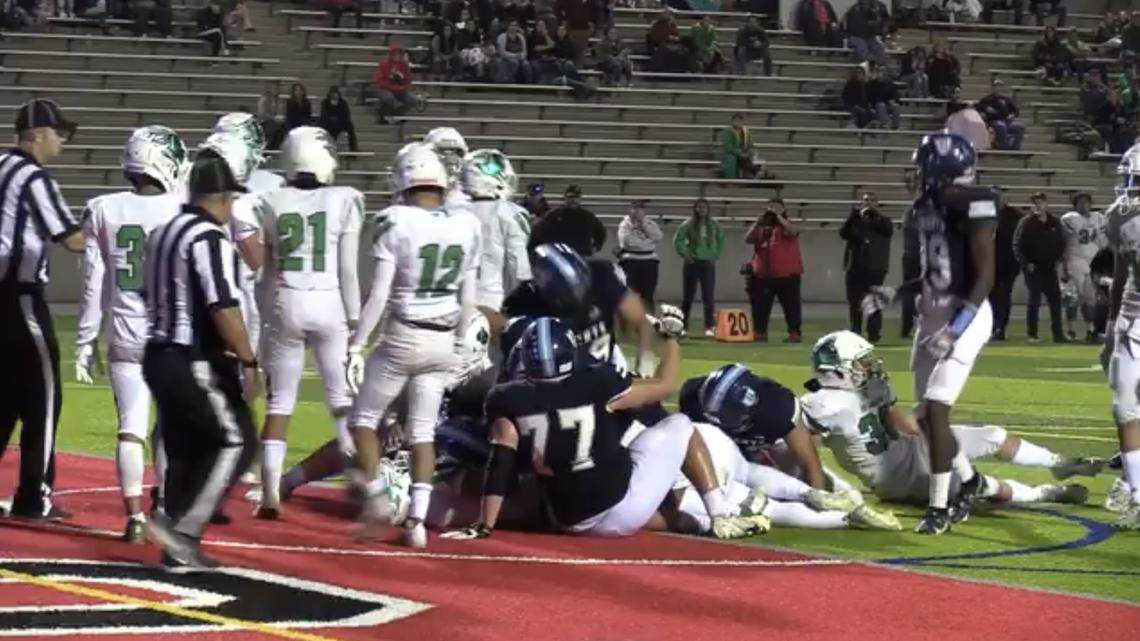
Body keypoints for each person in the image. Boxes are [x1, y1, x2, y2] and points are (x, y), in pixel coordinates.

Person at [443, 316, 770, 541]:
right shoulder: (597, 381)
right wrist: (670, 341)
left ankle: (699, 521)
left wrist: (484, 526)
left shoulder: (506, 399)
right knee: (680, 425)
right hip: (619, 507)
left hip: (564, 520)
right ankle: (720, 512)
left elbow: (500, 465)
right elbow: (664, 385)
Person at [346, 143, 481, 548]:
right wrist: (460, 344)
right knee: (423, 433)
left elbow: (380, 295)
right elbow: (469, 297)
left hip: (404, 333)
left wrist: (357, 343)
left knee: (363, 420)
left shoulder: (396, 220)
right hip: (443, 337)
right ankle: (417, 525)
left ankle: (376, 498)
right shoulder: (466, 222)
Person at [863, 133, 996, 535]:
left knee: (937, 408)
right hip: (933, 314)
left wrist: (955, 330)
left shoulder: (976, 201)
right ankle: (969, 480)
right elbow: (933, 274)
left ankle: (941, 506)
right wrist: (896, 292)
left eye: (924, 166)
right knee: (924, 418)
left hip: (967, 315)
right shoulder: (924, 207)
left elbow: (985, 275)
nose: (919, 173)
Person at [802, 331, 1098, 506]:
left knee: (993, 435)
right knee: (980, 487)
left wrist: (931, 430)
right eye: (861, 362)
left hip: (906, 447)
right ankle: (1043, 493)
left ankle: (1057, 463)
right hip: (895, 479)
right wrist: (827, 485)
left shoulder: (867, 388)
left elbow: (900, 426)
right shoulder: (822, 404)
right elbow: (802, 446)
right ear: (838, 368)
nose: (869, 367)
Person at [141, 155, 261, 571]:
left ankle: (171, 534)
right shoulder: (209, 238)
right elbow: (223, 307)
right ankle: (184, 533)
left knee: (186, 449)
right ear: (225, 199)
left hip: (155, 353)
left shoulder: (162, 232)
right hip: (189, 357)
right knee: (236, 440)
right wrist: (248, 360)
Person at [74, 126, 187, 542]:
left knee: (130, 427)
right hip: (169, 332)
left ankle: (135, 517)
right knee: (169, 425)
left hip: (124, 331)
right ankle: (162, 507)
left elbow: (91, 282)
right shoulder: (182, 208)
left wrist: (85, 338)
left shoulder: (104, 207)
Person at [253, 127, 362, 520]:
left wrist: (266, 318)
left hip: (287, 298)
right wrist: (356, 326)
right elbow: (348, 271)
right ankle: (362, 482)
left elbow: (265, 275)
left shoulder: (271, 199)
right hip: (329, 300)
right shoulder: (344, 199)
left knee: (280, 403)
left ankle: (269, 492)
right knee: (341, 402)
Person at [0, 99, 83, 521]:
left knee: (5, 396)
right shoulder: (31, 176)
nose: (61, 141)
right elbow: (70, 238)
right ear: (35, 134)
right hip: (21, 297)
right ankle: (35, 495)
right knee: (44, 397)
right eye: (56, 132)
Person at [678, 364, 827, 491]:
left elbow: (809, 460)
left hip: (769, 444)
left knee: (794, 468)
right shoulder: (692, 398)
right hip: (723, 453)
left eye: (729, 414)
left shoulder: (778, 406)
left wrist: (819, 494)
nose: (717, 420)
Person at [1103, 142, 1140, 529]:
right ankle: (1136, 491)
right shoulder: (1118, 216)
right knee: (1124, 407)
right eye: (1131, 179)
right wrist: (1111, 327)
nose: (1131, 187)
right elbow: (1121, 271)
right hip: (1133, 318)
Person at [459, 149, 532, 313]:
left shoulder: (452, 212)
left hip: (454, 301)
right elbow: (517, 266)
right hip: (493, 300)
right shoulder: (510, 213)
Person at [745, 199, 803, 343]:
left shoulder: (786, 225)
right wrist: (757, 223)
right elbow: (748, 239)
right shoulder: (762, 227)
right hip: (763, 275)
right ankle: (760, 332)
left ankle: (794, 333)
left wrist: (779, 217)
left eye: (778, 207)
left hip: (787, 275)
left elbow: (794, 231)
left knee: (791, 306)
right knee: (760, 306)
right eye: (771, 207)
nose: (773, 210)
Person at [1014, 192, 1067, 343]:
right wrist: (1026, 263)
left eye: (1041, 202)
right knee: (1034, 300)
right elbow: (1017, 245)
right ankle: (1032, 333)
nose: (1038, 205)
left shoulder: (1054, 222)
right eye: (1035, 203)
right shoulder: (1026, 222)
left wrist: (1058, 260)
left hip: (1050, 267)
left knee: (1055, 300)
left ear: (1046, 204)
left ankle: (1058, 334)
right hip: (1033, 267)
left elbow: (1061, 242)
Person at [840, 192, 892, 343]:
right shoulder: (855, 221)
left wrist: (872, 215)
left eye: (871, 200)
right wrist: (854, 217)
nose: (868, 203)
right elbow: (843, 233)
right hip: (854, 267)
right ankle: (855, 331)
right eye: (865, 201)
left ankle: (874, 334)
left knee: (874, 302)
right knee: (854, 302)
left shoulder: (884, 221)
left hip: (875, 268)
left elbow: (886, 231)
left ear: (877, 203)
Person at [1060, 192, 1107, 343]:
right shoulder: (1070, 218)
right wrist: (1064, 266)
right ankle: (1071, 330)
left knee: (1090, 300)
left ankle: (1090, 331)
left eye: (1087, 202)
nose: (1084, 205)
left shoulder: (1099, 218)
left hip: (1092, 262)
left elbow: (1103, 240)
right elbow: (1063, 241)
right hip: (1074, 260)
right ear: (1075, 205)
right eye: (1080, 203)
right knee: (1072, 298)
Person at [674, 199, 724, 338]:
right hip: (692, 263)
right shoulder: (688, 224)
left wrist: (716, 255)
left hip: (707, 263)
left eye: (704, 207)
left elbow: (722, 240)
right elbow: (678, 240)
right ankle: (683, 326)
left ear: (708, 209)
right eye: (699, 207)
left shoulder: (714, 225)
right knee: (688, 297)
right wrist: (686, 254)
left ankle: (709, 326)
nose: (702, 210)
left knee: (708, 296)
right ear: (695, 209)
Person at [527, 184, 605, 257]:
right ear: (565, 198)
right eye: (570, 197)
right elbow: (538, 232)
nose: (573, 200)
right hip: (560, 258)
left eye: (576, 197)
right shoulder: (554, 215)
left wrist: (596, 247)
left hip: (582, 256)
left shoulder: (588, 216)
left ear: (580, 198)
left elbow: (600, 232)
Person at [989, 187, 1023, 342]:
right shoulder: (981, 213)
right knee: (989, 297)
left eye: (998, 196)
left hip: (1008, 263)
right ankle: (990, 327)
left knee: (1003, 296)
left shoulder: (1015, 216)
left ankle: (1000, 328)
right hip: (987, 262)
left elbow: (1022, 239)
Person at [617, 199, 663, 310]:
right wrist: (647, 242)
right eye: (634, 208)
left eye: (640, 208)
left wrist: (644, 226)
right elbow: (627, 242)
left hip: (649, 261)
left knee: (648, 295)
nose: (637, 211)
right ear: (630, 210)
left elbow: (658, 237)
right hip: (630, 261)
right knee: (630, 294)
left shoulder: (650, 223)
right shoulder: (624, 225)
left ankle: (650, 322)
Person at [975, 79, 1025, 151]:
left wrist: (1012, 115)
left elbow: (1016, 111)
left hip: (1007, 121)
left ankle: (1015, 148)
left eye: (1000, 87)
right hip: (993, 121)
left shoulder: (1006, 99)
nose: (998, 88)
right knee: (1001, 125)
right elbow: (979, 109)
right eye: (996, 87)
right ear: (993, 88)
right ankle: (1003, 146)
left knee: (1020, 127)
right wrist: (984, 114)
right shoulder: (986, 100)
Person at [374, 45, 417, 124]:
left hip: (401, 89)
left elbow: (408, 79)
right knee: (389, 97)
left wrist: (402, 86)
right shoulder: (383, 64)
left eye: (399, 54)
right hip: (385, 89)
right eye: (395, 54)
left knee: (412, 99)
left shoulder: (404, 65)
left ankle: (398, 115)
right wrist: (392, 87)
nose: (397, 56)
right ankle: (387, 115)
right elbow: (380, 80)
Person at [844, 0, 889, 69]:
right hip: (856, 36)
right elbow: (850, 26)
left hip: (869, 36)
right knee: (862, 47)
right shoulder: (854, 9)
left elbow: (880, 21)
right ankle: (873, 62)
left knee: (879, 48)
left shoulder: (875, 8)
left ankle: (882, 66)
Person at [719, 113, 761, 179]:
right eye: (735, 121)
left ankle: (753, 173)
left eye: (739, 121)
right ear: (732, 121)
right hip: (731, 154)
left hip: (744, 154)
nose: (737, 123)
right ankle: (754, 171)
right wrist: (739, 153)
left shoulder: (746, 132)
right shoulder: (727, 131)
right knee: (734, 159)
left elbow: (750, 145)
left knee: (750, 156)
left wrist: (749, 152)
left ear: (742, 122)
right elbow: (728, 146)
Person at [318, 86, 359, 152]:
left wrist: (338, 119)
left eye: (336, 94)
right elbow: (324, 114)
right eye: (333, 94)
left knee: (350, 126)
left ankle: (353, 149)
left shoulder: (343, 102)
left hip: (340, 123)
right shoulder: (325, 102)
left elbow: (346, 115)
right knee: (320, 124)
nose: (335, 96)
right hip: (328, 123)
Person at [900, 205, 920, 338]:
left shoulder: (909, 212)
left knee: (910, 294)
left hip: (911, 256)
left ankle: (908, 327)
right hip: (916, 257)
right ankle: (909, 326)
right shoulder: (912, 212)